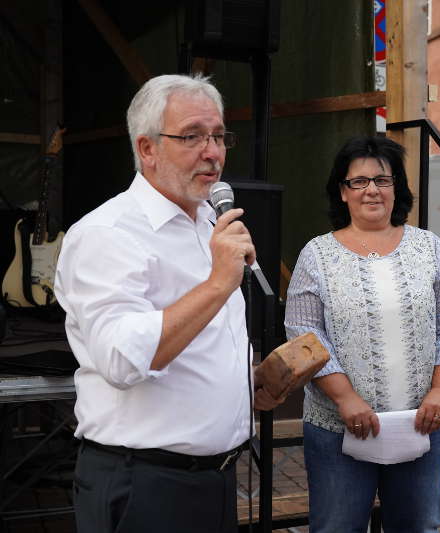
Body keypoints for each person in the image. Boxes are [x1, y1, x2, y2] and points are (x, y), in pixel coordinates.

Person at [54, 74, 283, 533]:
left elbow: (198, 341)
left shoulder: (206, 223)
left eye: (219, 136)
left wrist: (245, 380)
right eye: (193, 136)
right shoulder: (107, 234)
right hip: (146, 486)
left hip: (216, 481)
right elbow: (121, 360)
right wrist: (219, 283)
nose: (213, 151)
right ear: (147, 149)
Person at [285, 136, 440, 532]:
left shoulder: (428, 247)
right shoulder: (316, 255)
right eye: (359, 181)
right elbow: (304, 332)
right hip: (338, 429)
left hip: (422, 425)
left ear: (396, 187)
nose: (372, 189)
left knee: (418, 526)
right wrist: (345, 397)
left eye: (383, 180)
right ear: (343, 191)